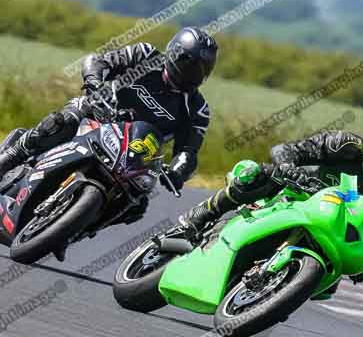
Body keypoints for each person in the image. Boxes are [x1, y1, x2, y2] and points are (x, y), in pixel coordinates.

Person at [168, 124, 363, 298]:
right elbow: (285, 149)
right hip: (294, 190)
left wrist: (362, 264)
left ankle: (274, 295)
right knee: (251, 174)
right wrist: (288, 166)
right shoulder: (345, 145)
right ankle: (201, 214)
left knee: (329, 287)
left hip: (329, 228)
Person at [0, 27, 217, 223]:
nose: (193, 72)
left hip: (133, 155)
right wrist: (94, 82)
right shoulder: (146, 55)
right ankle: (10, 158)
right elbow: (98, 61)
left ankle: (74, 229)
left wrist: (178, 172)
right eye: (189, 63)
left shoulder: (197, 109)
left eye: (201, 69)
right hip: (98, 116)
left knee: (137, 205)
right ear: (174, 53)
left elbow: (188, 152)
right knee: (60, 123)